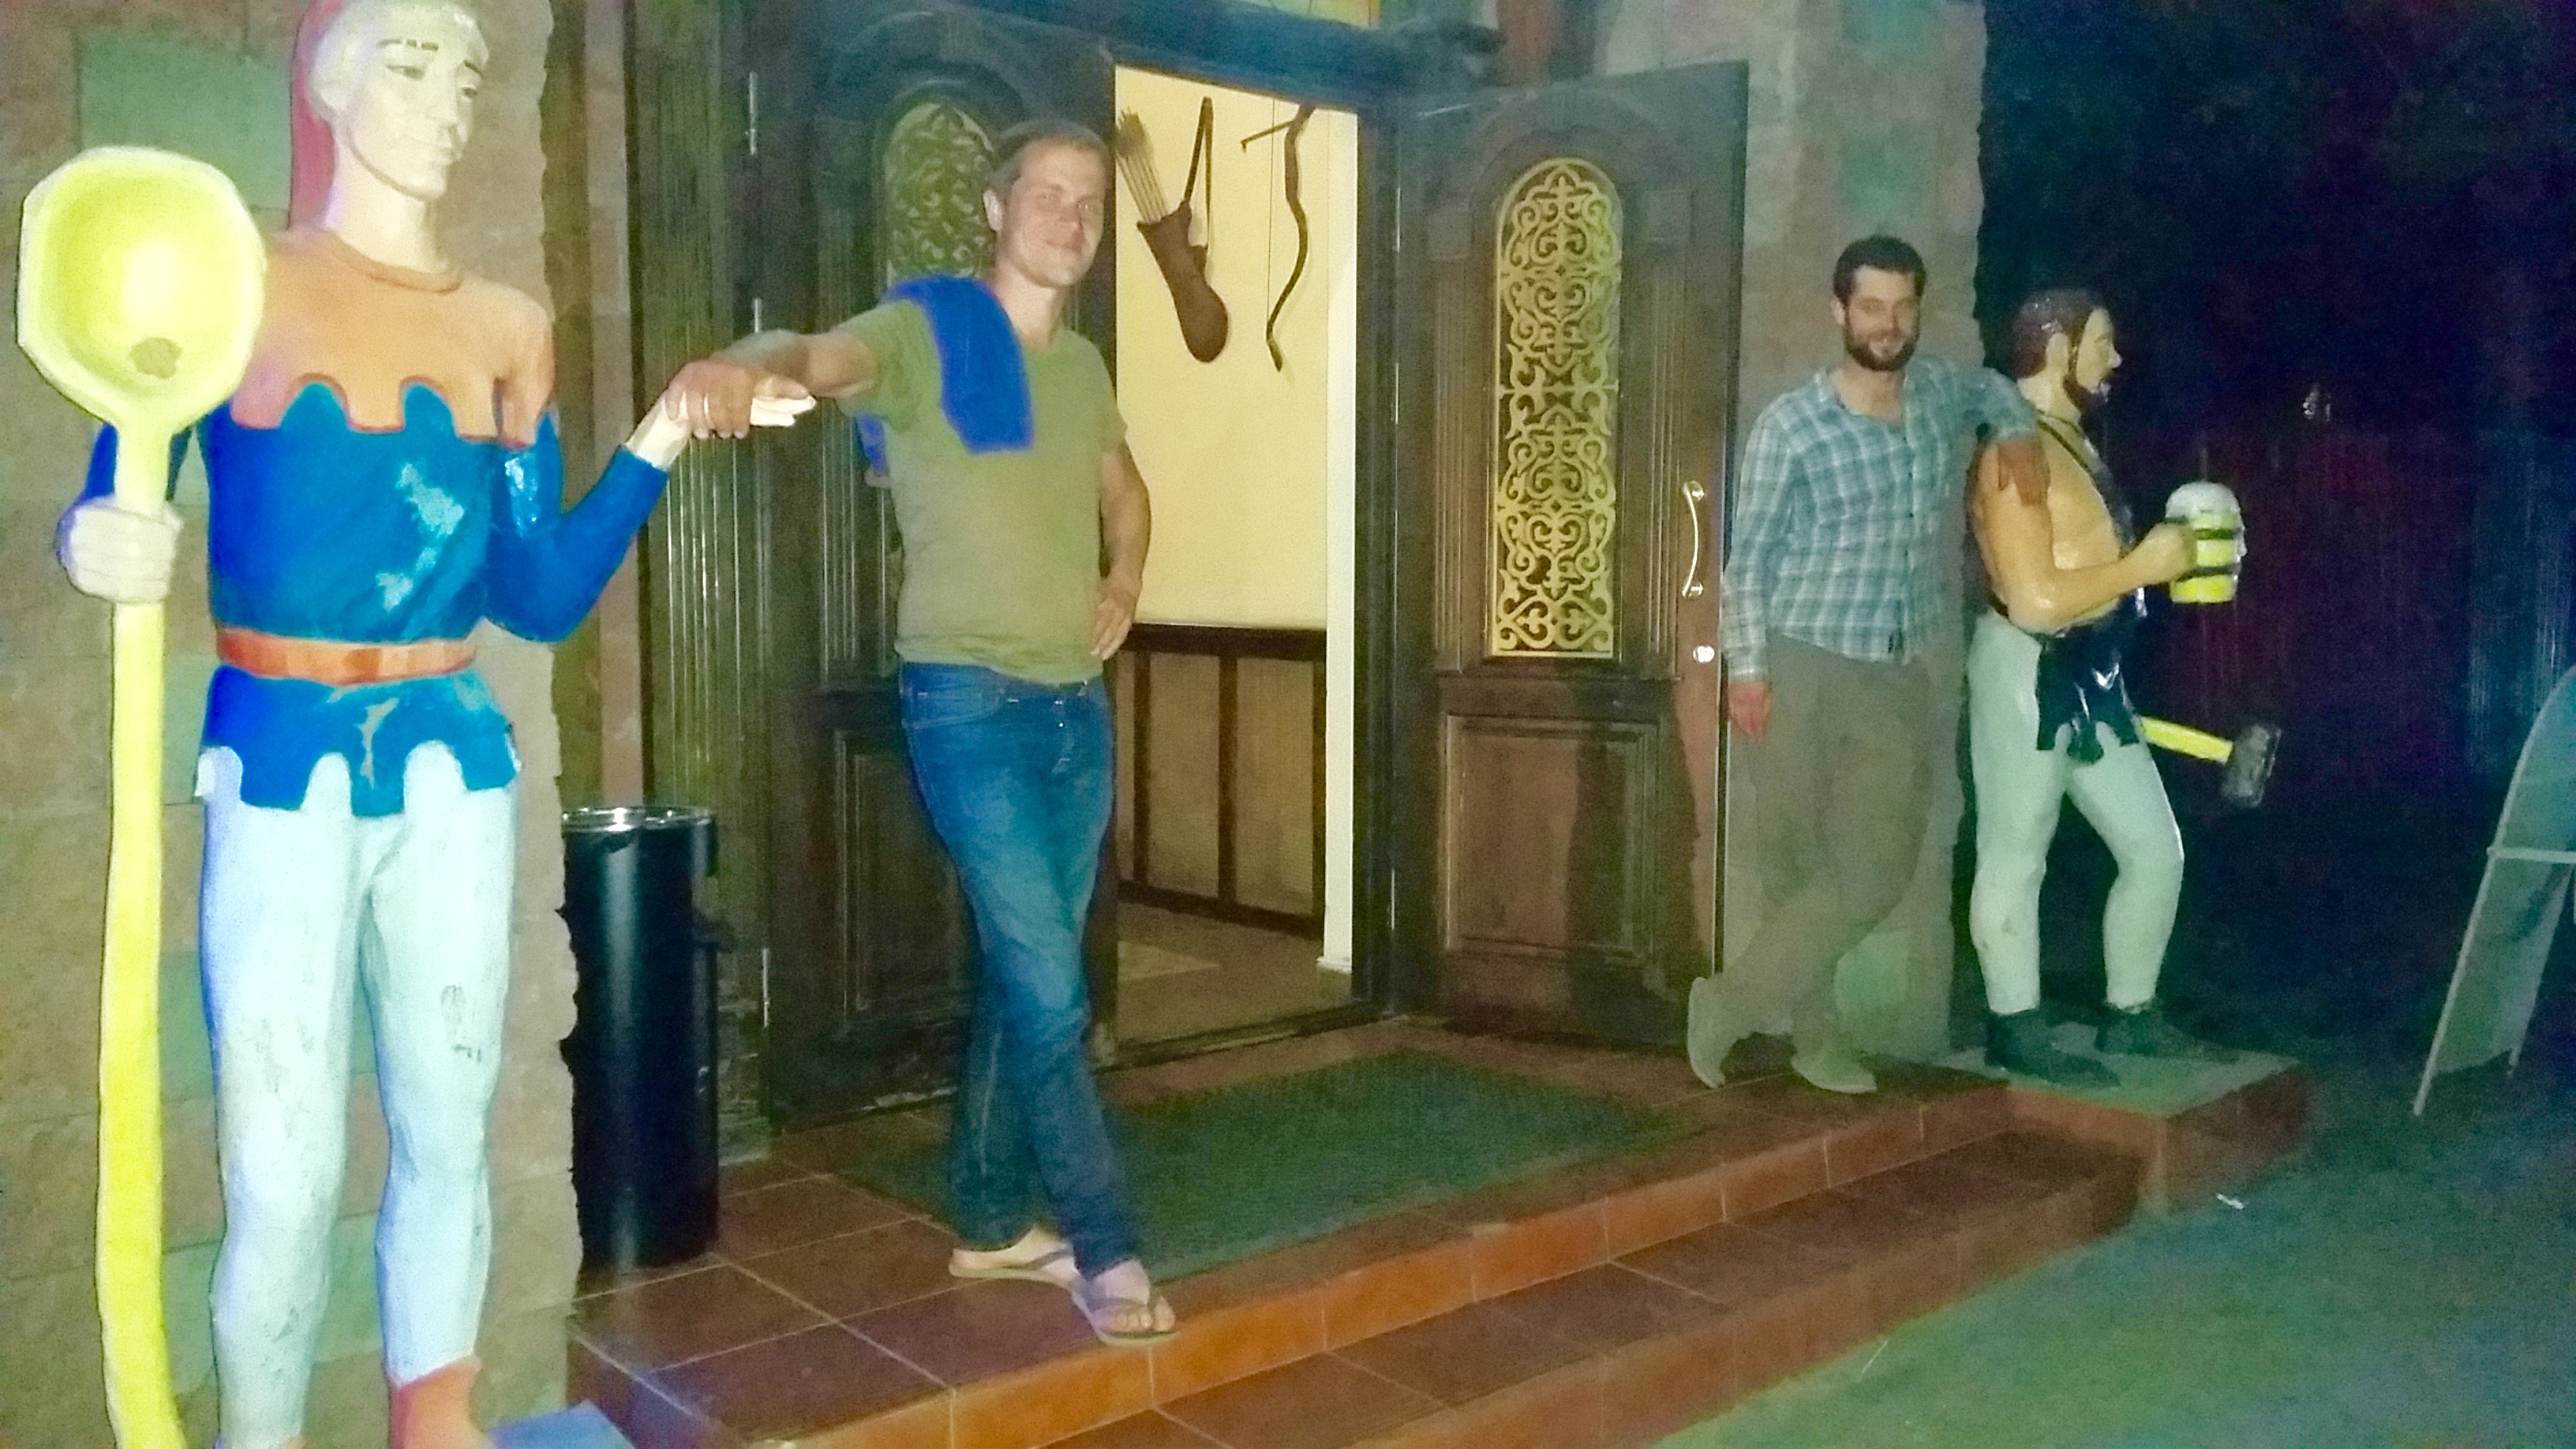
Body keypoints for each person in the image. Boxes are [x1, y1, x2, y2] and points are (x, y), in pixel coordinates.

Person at [52, 2, 734, 1443]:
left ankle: (438, 1421)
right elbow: (127, 467)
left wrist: (662, 433)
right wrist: (100, 532)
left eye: (464, 74)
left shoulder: (508, 330)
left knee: (449, 1123)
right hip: (279, 757)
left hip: (449, 765)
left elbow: (536, 594)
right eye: (409, 65)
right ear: (331, 80)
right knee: (282, 1168)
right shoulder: (234, 284)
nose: (444, 103)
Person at [661, 118, 1171, 1346]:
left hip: (1074, 708)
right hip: (968, 703)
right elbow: (815, 356)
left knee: (1028, 974)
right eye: (1047, 194)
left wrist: (1124, 579)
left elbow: (1125, 492)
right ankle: (1107, 1244)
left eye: (1089, 201)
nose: (1071, 216)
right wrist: (740, 361)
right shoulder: (926, 330)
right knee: (1053, 990)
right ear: (996, 209)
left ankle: (989, 1221)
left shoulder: (1083, 366)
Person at [1690, 234, 2045, 1095]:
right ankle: (1816, 1039)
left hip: (1894, 671)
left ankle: (1729, 1002)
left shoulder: (1938, 393)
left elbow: (1992, 387)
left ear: (1916, 310)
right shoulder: (1794, 426)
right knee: (1799, 866)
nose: (1889, 323)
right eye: (1872, 306)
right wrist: (1747, 670)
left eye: (1903, 306)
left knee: (1878, 866)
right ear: (1839, 311)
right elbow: (1749, 562)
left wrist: (2019, 431)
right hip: (1800, 664)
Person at [1965, 288, 2234, 1084]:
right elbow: (2033, 599)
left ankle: (2133, 1015)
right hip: (2029, 667)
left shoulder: (2067, 440)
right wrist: (2142, 566)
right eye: (2102, 343)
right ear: (2058, 348)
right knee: (2016, 850)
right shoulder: (2015, 451)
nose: (2115, 359)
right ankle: (2015, 1025)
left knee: (2155, 850)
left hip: (2091, 670)